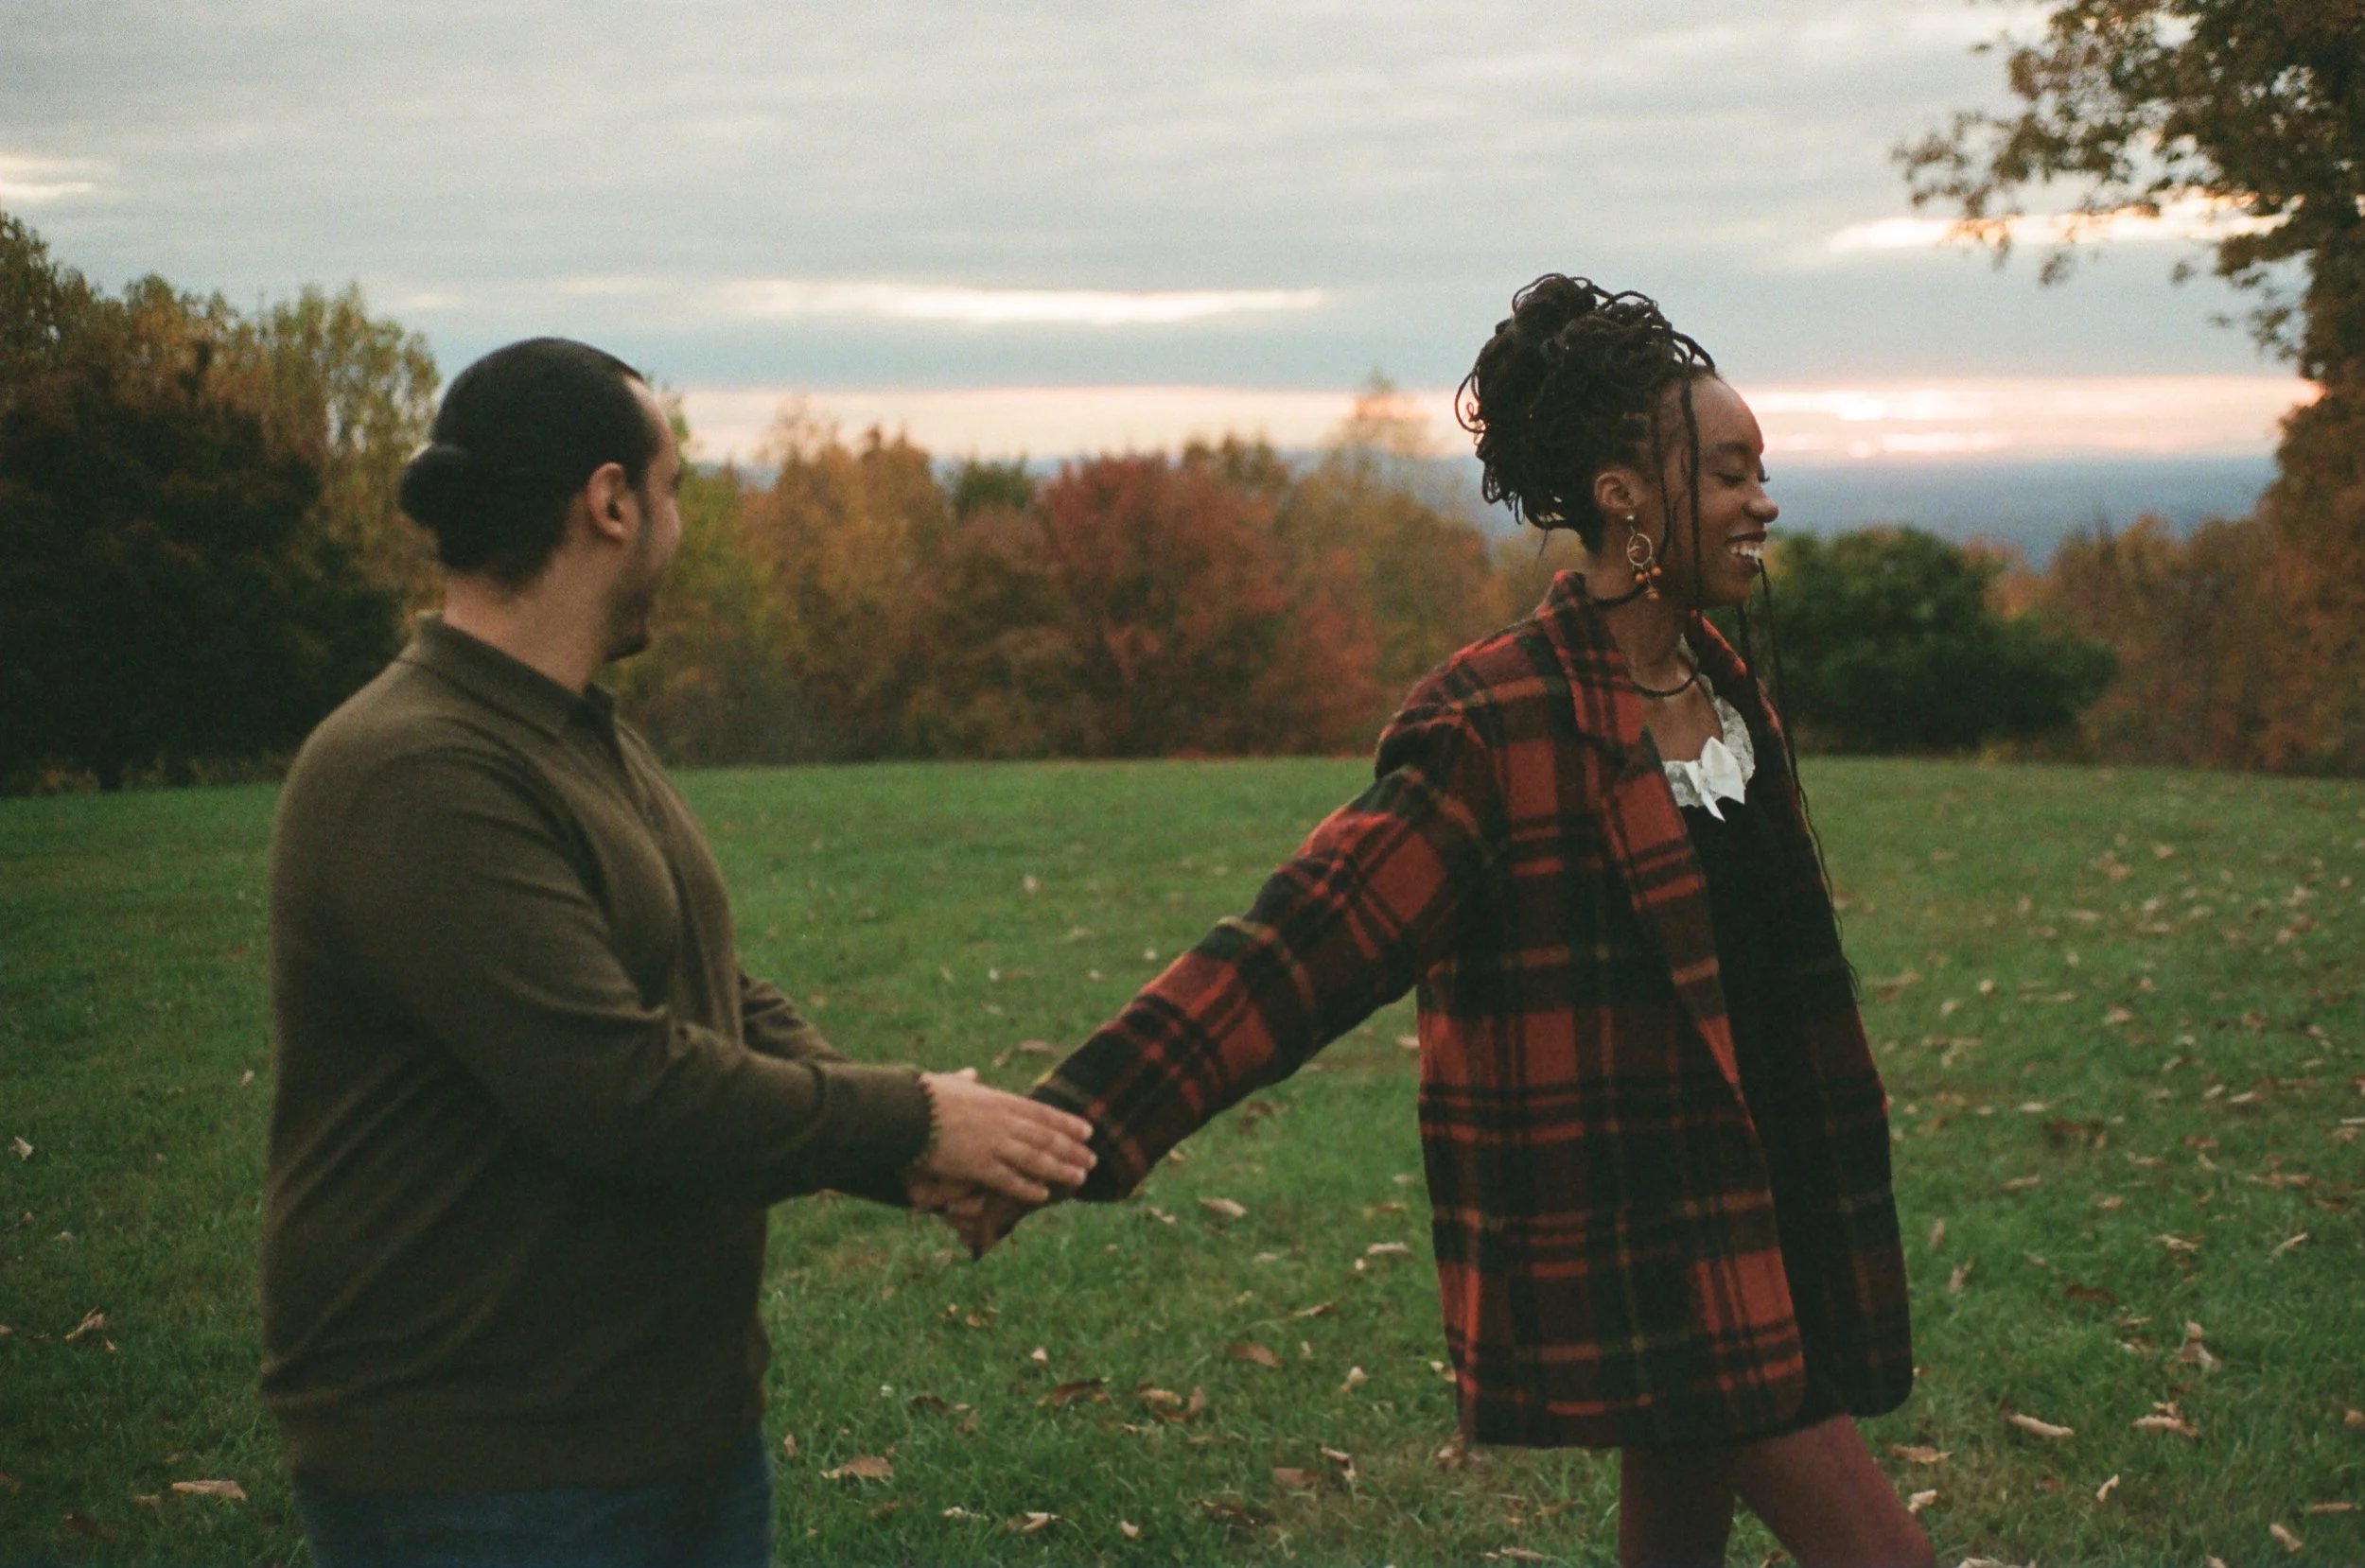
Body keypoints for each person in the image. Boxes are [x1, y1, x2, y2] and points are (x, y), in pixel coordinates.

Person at [960, 279, 1934, 1567]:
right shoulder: (1498, 721)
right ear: (1628, 496)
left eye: (1765, 470)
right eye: (1732, 471)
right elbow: (1297, 949)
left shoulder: (1720, 681)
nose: (1764, 499)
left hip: (1763, 1201)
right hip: (1648, 1244)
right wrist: (1069, 1131)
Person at [262, 338, 1096, 1568]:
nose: (683, 522)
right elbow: (617, 1086)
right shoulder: (420, 765)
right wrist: (911, 1118)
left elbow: (711, 989)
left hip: (663, 1433)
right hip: (484, 1468)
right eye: (677, 489)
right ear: (610, 502)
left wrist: (908, 1152)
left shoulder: (569, 729)